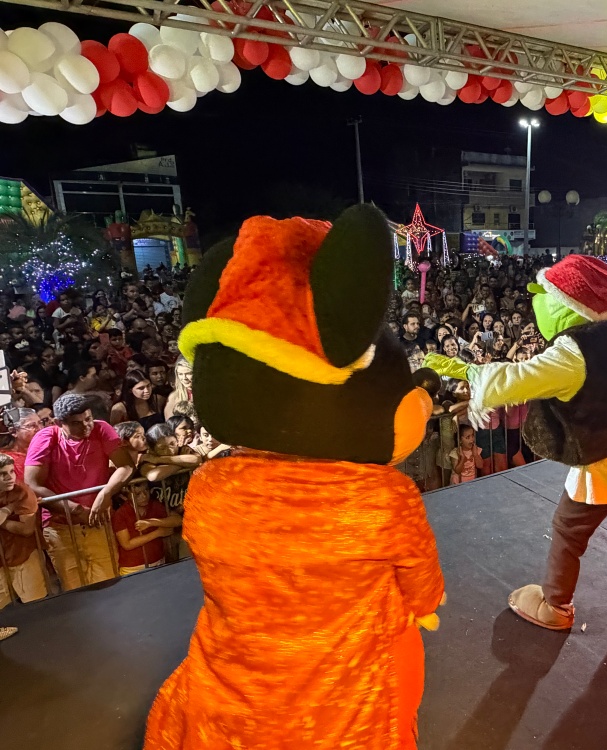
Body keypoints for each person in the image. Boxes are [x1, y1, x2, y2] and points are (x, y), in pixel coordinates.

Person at [144, 206, 444, 750]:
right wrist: (424, 608)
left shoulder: (209, 486)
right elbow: (421, 580)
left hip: (235, 687)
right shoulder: (383, 497)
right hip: (348, 697)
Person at [426, 255, 607, 632]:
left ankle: (555, 605)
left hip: (605, 455)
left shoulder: (574, 351)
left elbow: (519, 378)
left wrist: (468, 371)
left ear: (565, 305)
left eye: (545, 295)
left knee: (568, 527)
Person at [24, 393, 134, 589]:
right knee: (76, 592)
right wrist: (76, 510)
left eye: (88, 419)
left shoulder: (101, 428)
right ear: (59, 422)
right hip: (60, 527)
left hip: (97, 523)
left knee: (108, 585)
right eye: (76, 423)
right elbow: (32, 484)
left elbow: (126, 466)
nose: (86, 426)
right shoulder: (46, 437)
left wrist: (105, 494)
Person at [0, 453, 47, 609]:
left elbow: (26, 529)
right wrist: (9, 509)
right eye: (3, 474)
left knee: (36, 605)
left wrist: (4, 518)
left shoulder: (21, 491)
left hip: (23, 554)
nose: (10, 477)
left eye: (11, 471)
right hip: (2, 560)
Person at [112, 482, 176, 575]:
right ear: (125, 496)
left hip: (159, 561)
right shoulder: (121, 514)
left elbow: (178, 519)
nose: (144, 496)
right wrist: (158, 533)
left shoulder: (154, 505)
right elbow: (127, 544)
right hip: (133, 567)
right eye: (138, 494)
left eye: (146, 490)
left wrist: (151, 522)